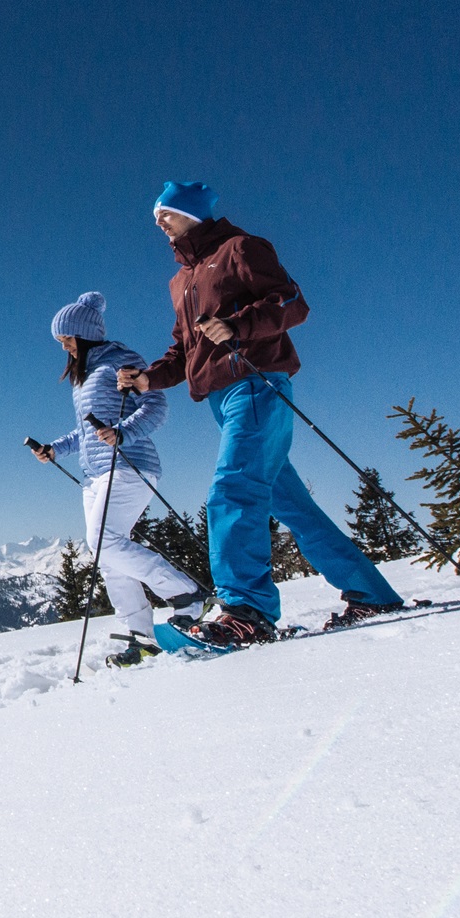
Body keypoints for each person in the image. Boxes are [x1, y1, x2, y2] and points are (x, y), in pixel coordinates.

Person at [114, 181, 405, 645]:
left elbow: (291, 302)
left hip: (255, 383)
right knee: (290, 503)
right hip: (220, 399)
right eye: (155, 216)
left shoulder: (240, 248)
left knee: (233, 489)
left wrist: (237, 325)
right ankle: (370, 593)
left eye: (165, 212)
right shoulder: (181, 281)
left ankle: (246, 610)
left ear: (191, 212)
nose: (158, 222)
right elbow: (183, 348)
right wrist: (148, 378)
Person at [29, 291, 204, 664]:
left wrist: (124, 432)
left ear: (84, 333)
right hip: (94, 474)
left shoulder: (120, 362)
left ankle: (185, 594)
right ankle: (141, 637)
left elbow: (156, 406)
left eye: (67, 339)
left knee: (103, 539)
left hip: (129, 465)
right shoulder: (85, 376)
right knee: (105, 556)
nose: (64, 347)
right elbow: (86, 431)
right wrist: (55, 449)